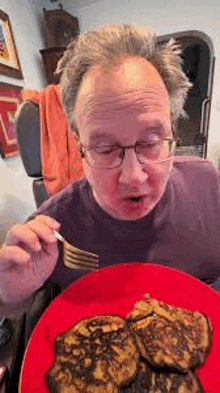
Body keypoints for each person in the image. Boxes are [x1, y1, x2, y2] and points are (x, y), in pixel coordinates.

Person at [1, 24, 220, 317]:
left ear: (173, 134)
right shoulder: (48, 233)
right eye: (105, 149)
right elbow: (18, 312)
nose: (133, 177)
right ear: (79, 146)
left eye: (151, 142)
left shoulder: (210, 187)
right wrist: (10, 294)